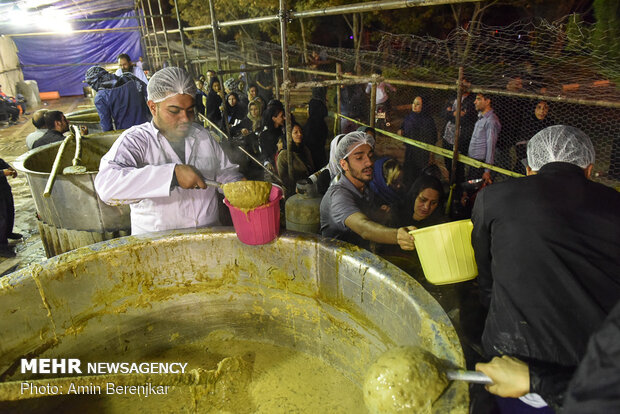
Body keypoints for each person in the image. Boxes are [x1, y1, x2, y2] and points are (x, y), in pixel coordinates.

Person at [471, 125, 620, 412]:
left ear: (529, 170)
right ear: (589, 169)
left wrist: (491, 309)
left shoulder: (493, 198)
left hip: (512, 361)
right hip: (593, 372)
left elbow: (486, 275)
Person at [94, 67, 243, 235]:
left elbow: (224, 172)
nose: (185, 119)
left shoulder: (202, 136)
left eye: (190, 110)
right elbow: (107, 185)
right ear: (152, 107)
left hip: (209, 240)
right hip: (159, 249)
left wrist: (237, 184)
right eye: (174, 111)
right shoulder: (136, 140)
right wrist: (172, 176)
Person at [319, 131, 415, 251]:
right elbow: (364, 228)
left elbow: (365, 214)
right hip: (338, 262)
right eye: (359, 158)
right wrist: (398, 236)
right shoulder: (338, 196)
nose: (369, 163)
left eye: (370, 156)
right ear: (344, 164)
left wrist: (378, 214)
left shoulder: (365, 187)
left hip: (359, 255)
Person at [84, 66, 151, 132]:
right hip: (148, 127)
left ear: (95, 82)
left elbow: (107, 127)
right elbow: (149, 95)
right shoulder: (130, 77)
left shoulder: (101, 97)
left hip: (127, 134)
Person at [442, 77, 477, 181]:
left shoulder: (472, 100)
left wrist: (450, 113)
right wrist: (454, 113)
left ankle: (458, 192)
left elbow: (466, 119)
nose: (459, 84)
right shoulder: (453, 97)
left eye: (463, 82)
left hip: (461, 139)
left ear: (469, 84)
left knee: (459, 168)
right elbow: (443, 113)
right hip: (447, 138)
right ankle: (451, 186)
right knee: (448, 165)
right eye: (458, 81)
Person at [398, 96, 437, 185]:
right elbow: (402, 128)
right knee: (409, 173)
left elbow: (432, 139)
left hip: (422, 153)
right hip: (409, 151)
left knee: (419, 175)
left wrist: (431, 155)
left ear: (423, 106)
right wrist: (400, 131)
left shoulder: (428, 120)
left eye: (418, 104)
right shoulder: (409, 117)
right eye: (413, 103)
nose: (414, 106)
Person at [468, 92, 501, 184]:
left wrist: (487, 170)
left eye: (478, 99)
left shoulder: (491, 121)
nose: (475, 102)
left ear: (487, 101)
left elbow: (491, 147)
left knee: (476, 191)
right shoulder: (482, 118)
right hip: (474, 162)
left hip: (480, 165)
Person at [514, 101, 553, 174]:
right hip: (525, 164)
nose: (542, 111)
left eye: (545, 108)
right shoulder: (527, 123)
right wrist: (527, 166)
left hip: (542, 165)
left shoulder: (550, 124)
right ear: (534, 108)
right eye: (539, 107)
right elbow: (520, 147)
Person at [276, 122, 315, 188]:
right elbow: (283, 177)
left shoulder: (305, 149)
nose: (299, 134)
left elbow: (312, 168)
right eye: (295, 132)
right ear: (289, 135)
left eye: (300, 132)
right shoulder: (284, 155)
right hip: (293, 189)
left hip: (308, 186)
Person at [0, 159, 22, 258]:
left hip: (2, 186)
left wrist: (8, 167)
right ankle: (1, 247)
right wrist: (2, 173)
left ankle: (8, 233)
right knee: (1, 217)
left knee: (9, 210)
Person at [258, 101, 285, 169]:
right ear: (274, 118)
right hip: (273, 167)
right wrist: (267, 162)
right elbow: (264, 153)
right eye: (281, 116)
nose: (284, 118)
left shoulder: (284, 131)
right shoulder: (264, 135)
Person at [303, 98, 329, 168]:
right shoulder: (322, 123)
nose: (307, 110)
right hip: (321, 156)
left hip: (312, 158)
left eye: (309, 108)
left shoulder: (311, 124)